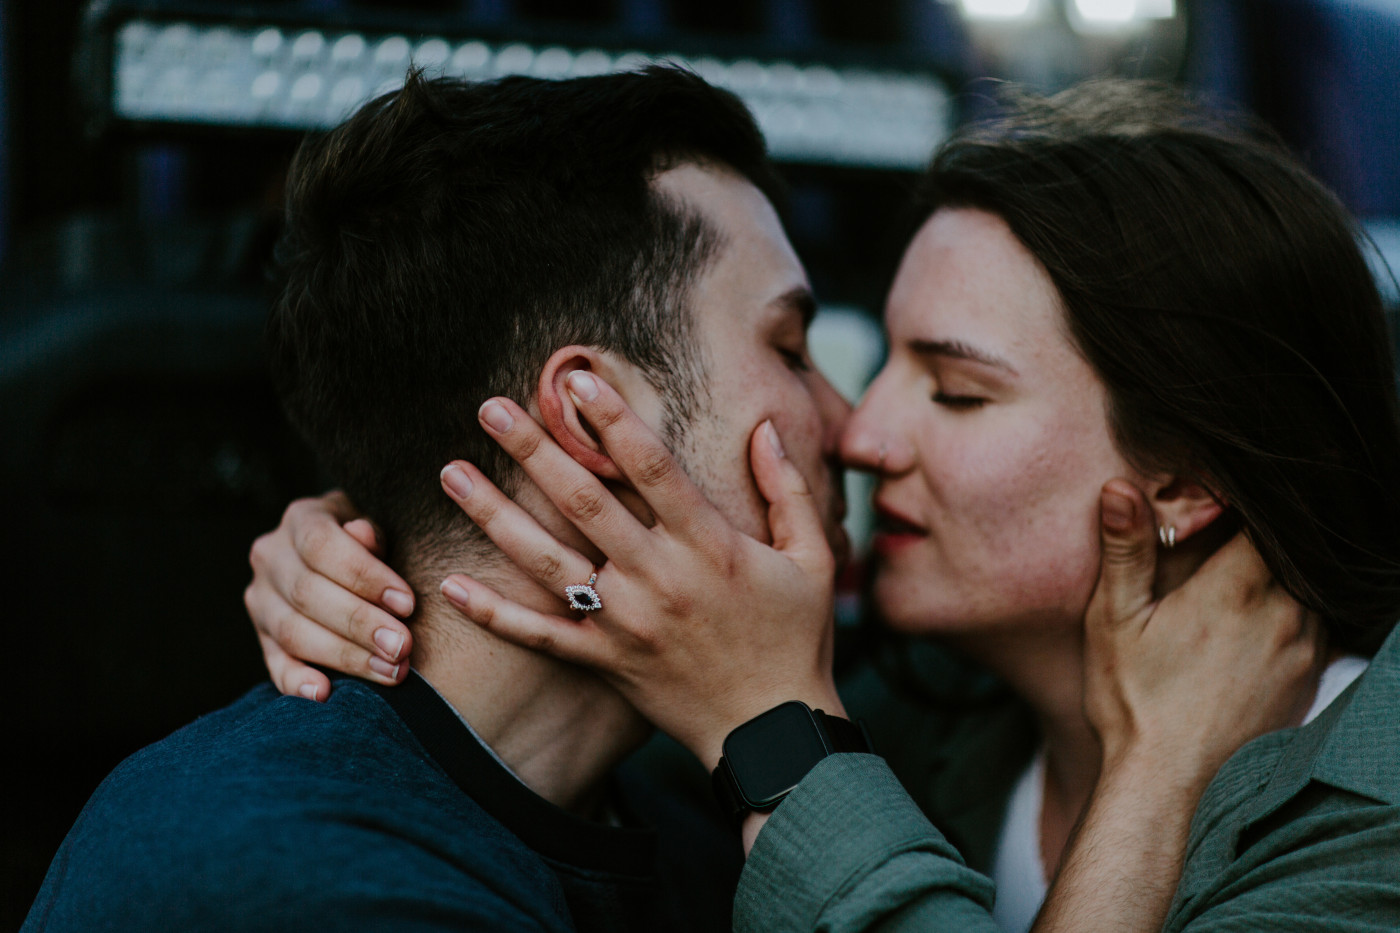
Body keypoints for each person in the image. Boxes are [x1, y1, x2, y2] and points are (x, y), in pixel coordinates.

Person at [246, 80, 1400, 931]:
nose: (859, 431)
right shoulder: (931, 726)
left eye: (955, 391)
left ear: (1184, 482)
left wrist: (776, 730)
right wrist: (368, 526)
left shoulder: (1372, 813)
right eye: (860, 354)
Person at [23, 67, 853, 932]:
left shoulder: (692, 837)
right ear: (592, 419)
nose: (851, 423)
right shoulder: (290, 877)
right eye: (792, 348)